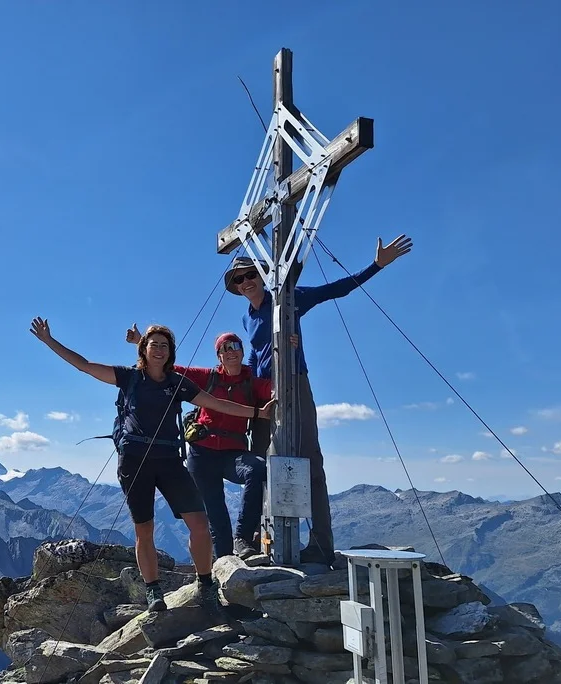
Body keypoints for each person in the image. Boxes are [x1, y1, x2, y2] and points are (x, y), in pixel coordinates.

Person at [29, 317, 275, 612]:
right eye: (154, 345)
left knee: (199, 524)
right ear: (143, 349)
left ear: (171, 352)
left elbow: (215, 403)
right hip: (135, 461)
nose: (159, 350)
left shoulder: (176, 382)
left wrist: (257, 414)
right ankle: (153, 591)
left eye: (165, 346)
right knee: (144, 529)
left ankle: (205, 583)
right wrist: (49, 341)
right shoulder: (128, 377)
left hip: (170, 460)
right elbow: (84, 365)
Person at [225, 234, 413, 565]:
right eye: (238, 280)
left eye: (250, 274)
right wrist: (248, 388)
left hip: (294, 383)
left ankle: (320, 543)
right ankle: (260, 539)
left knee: (309, 459)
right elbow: (254, 355)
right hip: (264, 390)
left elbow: (335, 290)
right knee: (258, 460)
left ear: (262, 274)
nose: (245, 282)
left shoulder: (288, 297)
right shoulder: (247, 318)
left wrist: (377, 266)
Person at [125, 326, 289, 561]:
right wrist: (141, 342)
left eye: (235, 346)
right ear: (219, 356)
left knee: (257, 469)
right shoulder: (207, 377)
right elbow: (170, 369)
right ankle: (225, 568)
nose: (230, 351)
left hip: (233, 454)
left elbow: (278, 389)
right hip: (202, 455)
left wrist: (290, 351)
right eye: (224, 348)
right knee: (216, 516)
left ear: (242, 352)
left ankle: (242, 538)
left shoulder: (252, 382)